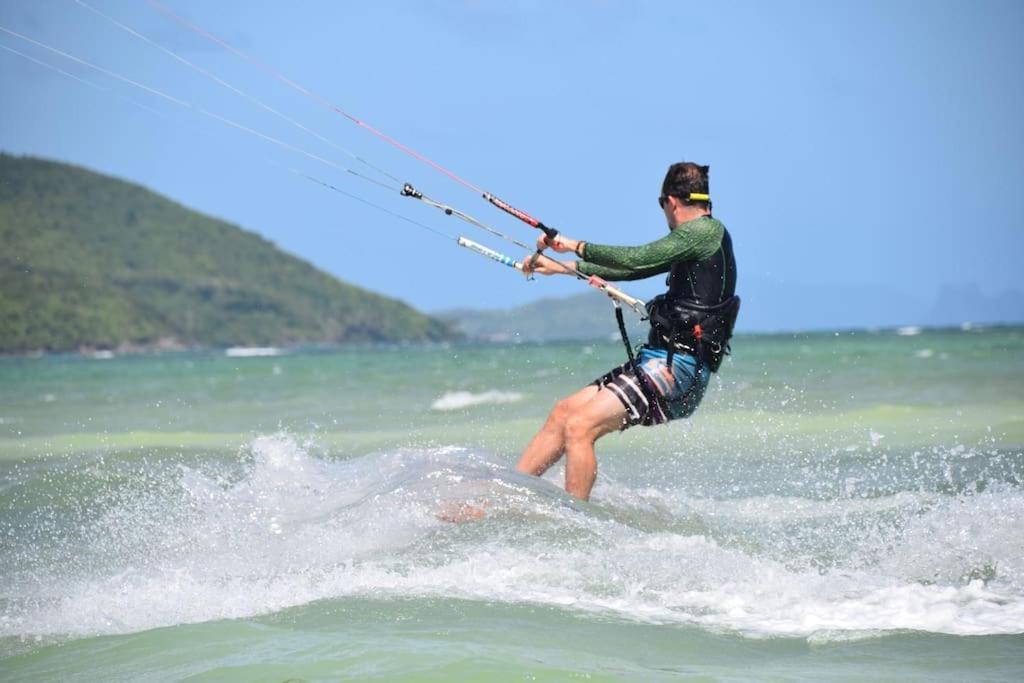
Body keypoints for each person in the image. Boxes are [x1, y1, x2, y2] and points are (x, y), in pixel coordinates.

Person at [516, 162, 739, 500]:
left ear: (671, 202)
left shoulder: (704, 232)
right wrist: (565, 268)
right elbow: (638, 268)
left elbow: (638, 258)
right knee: (564, 413)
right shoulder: (695, 239)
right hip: (659, 360)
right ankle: (508, 494)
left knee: (580, 427)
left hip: (678, 369)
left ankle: (576, 523)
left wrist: (573, 245)